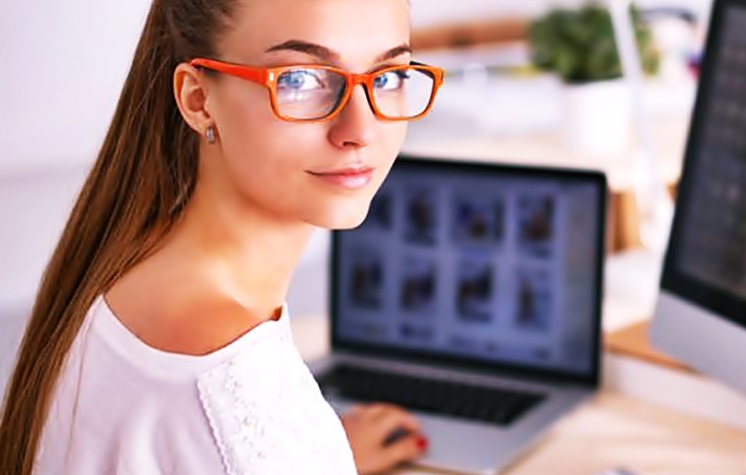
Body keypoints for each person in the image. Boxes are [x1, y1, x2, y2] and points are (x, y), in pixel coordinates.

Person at [0, 0, 444, 473]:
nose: (360, 130)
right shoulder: (239, 399)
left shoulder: (125, 277)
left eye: (388, 77)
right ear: (197, 99)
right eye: (300, 79)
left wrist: (323, 452)